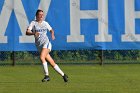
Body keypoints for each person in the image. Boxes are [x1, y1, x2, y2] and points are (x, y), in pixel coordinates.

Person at [26, 9, 68, 82]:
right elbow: (27, 32)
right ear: (36, 16)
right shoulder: (33, 23)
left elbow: (51, 30)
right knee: (52, 63)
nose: (41, 16)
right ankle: (63, 75)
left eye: (42, 14)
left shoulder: (45, 23)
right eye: (40, 14)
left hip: (46, 43)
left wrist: (52, 34)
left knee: (42, 57)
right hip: (39, 46)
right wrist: (33, 33)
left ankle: (47, 76)